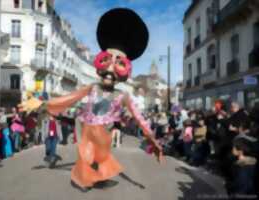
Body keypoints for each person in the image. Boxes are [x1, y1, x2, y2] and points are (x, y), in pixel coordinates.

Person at [20, 8, 163, 192]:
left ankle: (94, 175)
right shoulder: (92, 87)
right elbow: (70, 98)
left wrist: (153, 140)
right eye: (107, 61)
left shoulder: (123, 95)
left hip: (104, 134)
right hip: (86, 129)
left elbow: (140, 119)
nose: (110, 72)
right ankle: (88, 178)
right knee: (86, 157)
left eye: (118, 64)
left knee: (97, 159)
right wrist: (43, 103)